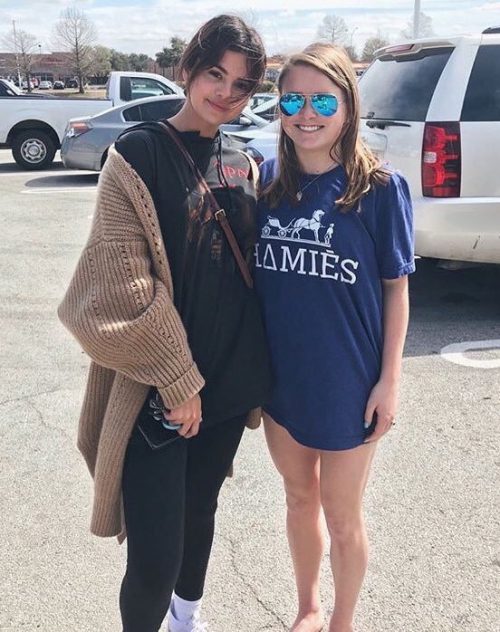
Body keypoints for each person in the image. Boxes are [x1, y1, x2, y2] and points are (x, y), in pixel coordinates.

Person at [58, 15, 272, 632]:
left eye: (242, 85)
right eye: (215, 74)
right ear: (187, 69)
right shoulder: (138, 154)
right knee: (154, 556)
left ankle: (187, 620)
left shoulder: (242, 161)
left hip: (228, 384)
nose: (226, 93)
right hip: (161, 390)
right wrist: (177, 379)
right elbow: (118, 285)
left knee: (201, 512)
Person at [254, 43, 415, 632]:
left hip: (348, 384)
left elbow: (396, 289)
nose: (306, 114)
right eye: (292, 100)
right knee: (299, 498)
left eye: (323, 101)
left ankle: (342, 623)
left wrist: (389, 381)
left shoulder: (379, 188)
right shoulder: (267, 181)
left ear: (348, 106)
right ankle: (308, 607)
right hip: (282, 381)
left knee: (343, 517)